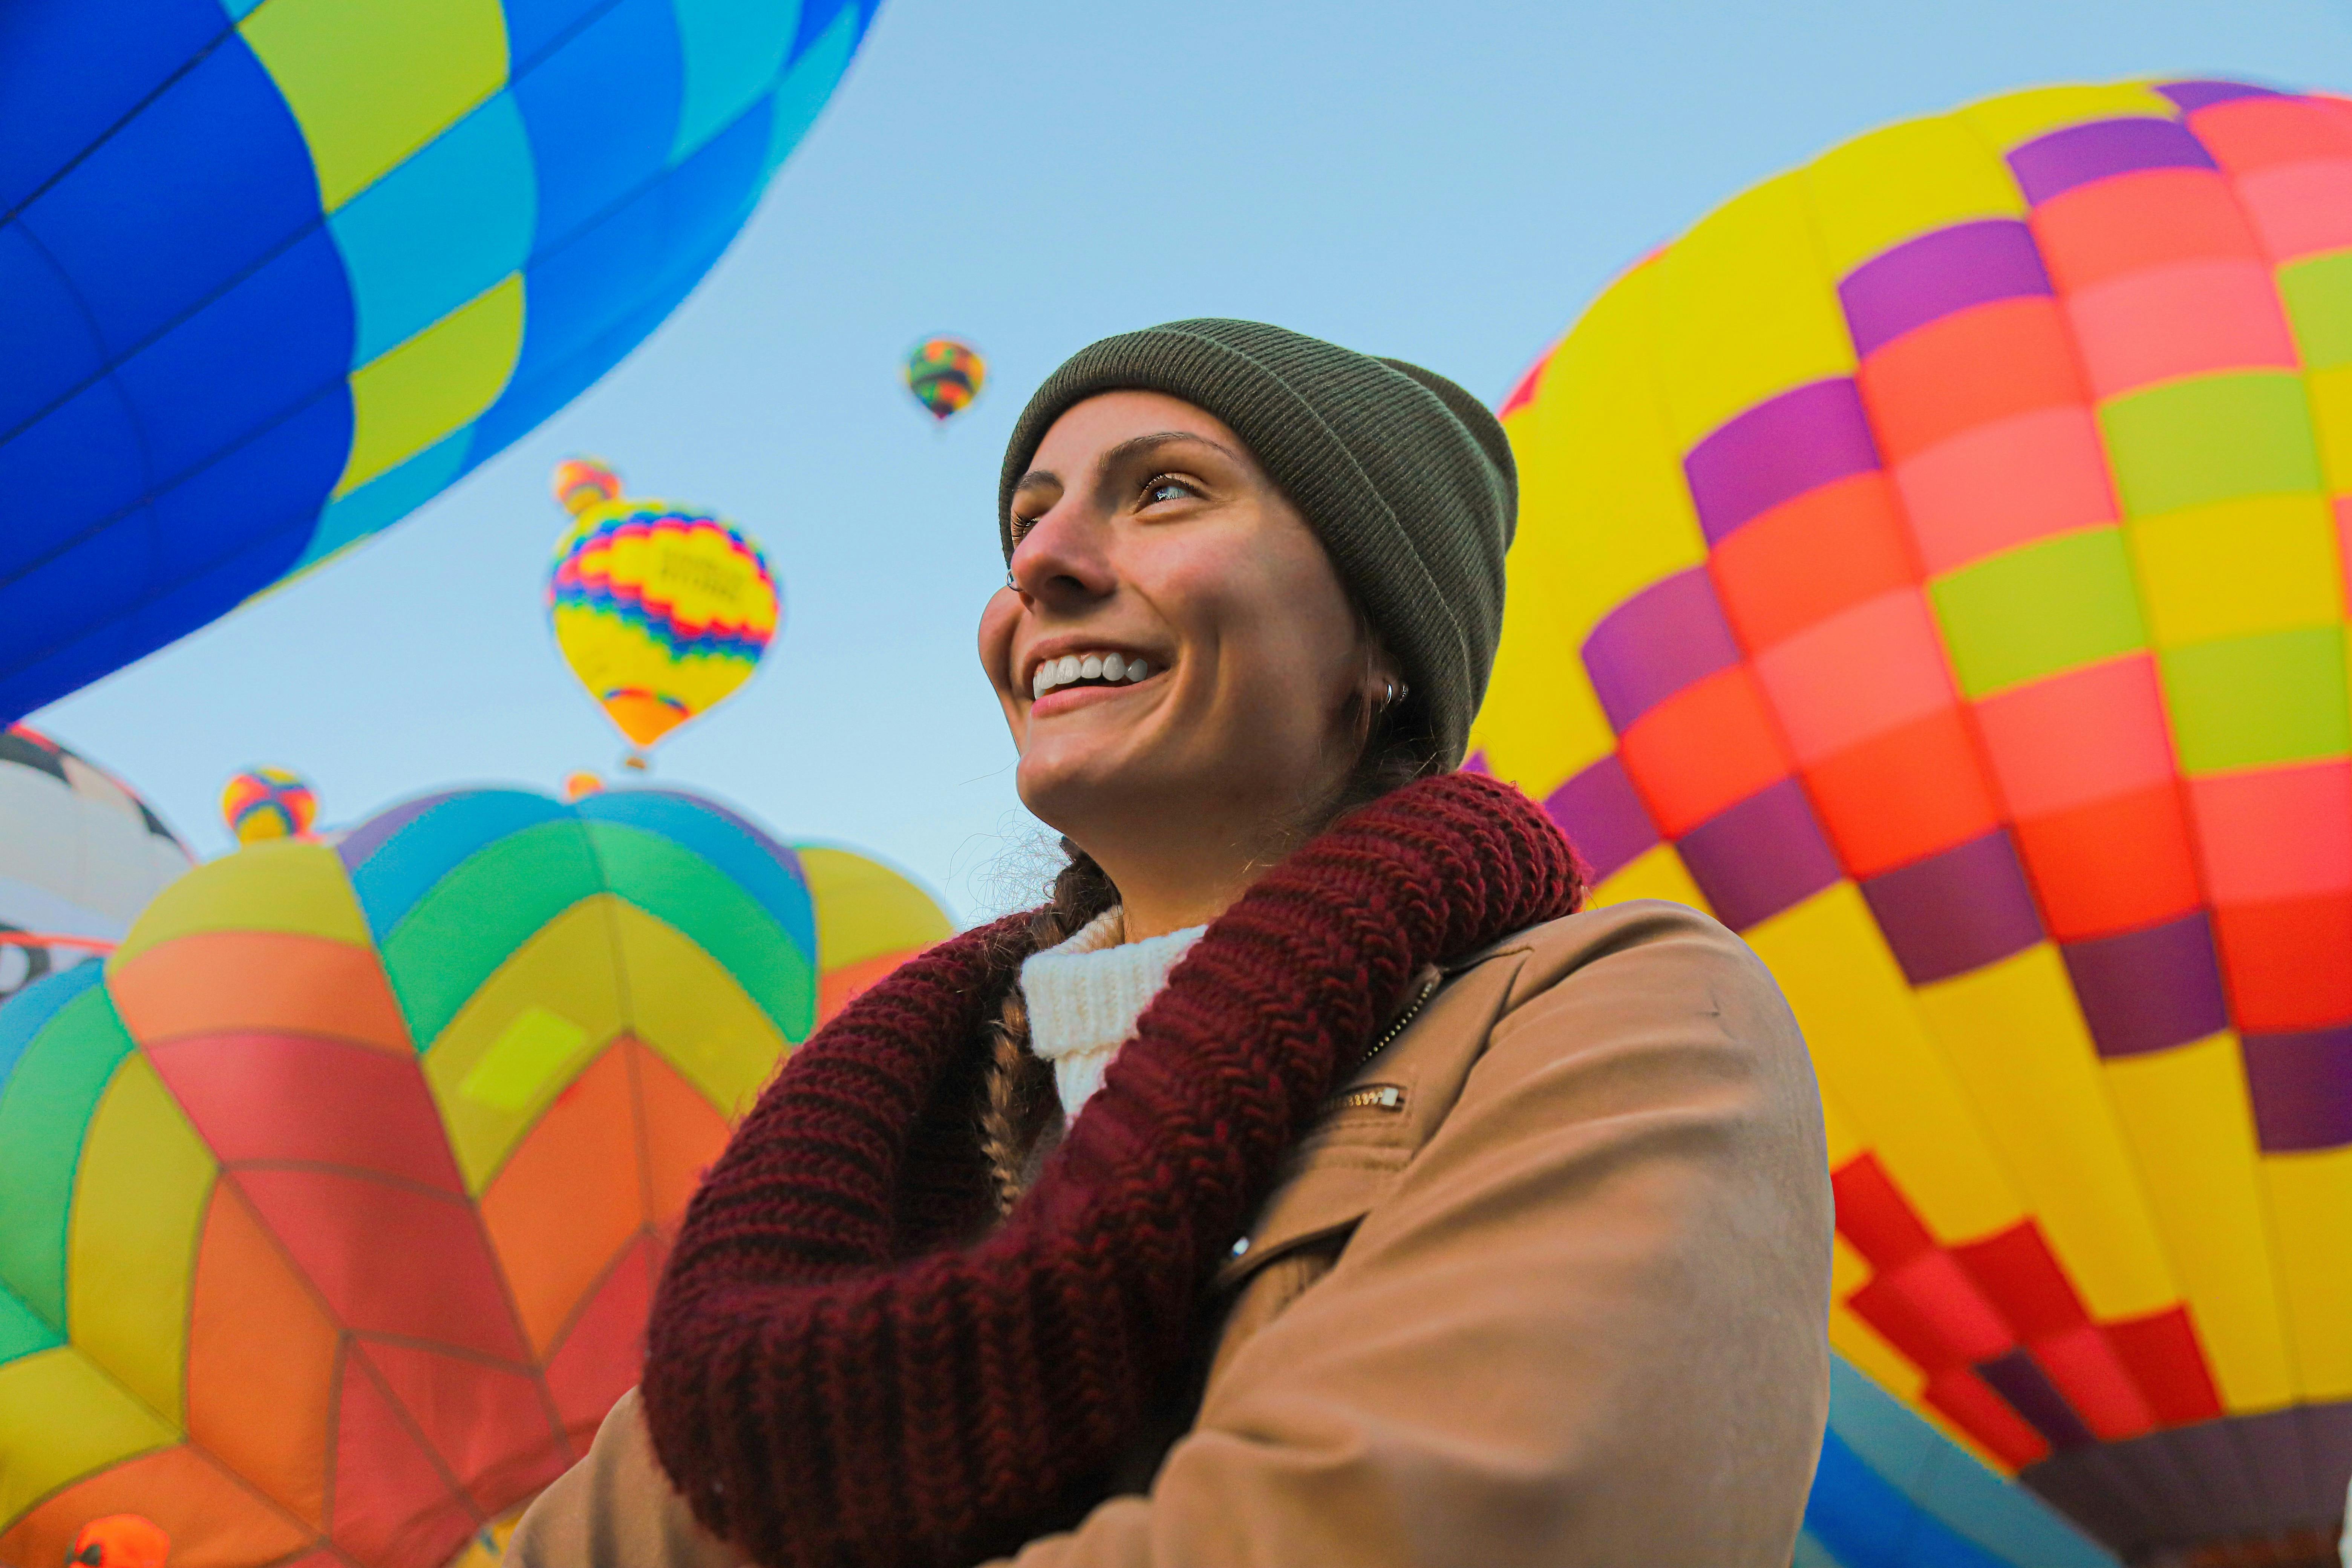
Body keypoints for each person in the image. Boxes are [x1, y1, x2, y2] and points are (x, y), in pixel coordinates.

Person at [509, 319, 1833, 1566]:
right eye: (1028, 522)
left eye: (1165, 493)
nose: (1041, 566)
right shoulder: (888, 1136)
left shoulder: (1606, 1013)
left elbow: (1437, 1522)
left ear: (1382, 645)